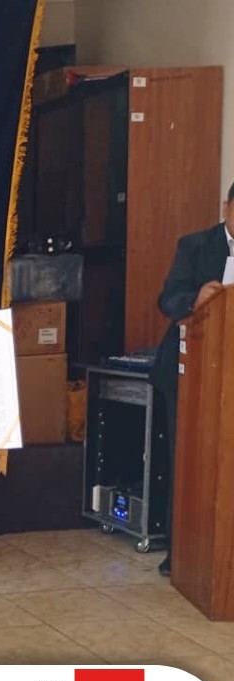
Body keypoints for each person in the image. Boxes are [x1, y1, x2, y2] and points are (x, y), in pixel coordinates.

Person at [150, 180, 234, 577]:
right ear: (226, 208)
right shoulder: (196, 246)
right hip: (191, 372)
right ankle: (180, 552)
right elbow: (167, 299)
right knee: (186, 462)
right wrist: (195, 299)